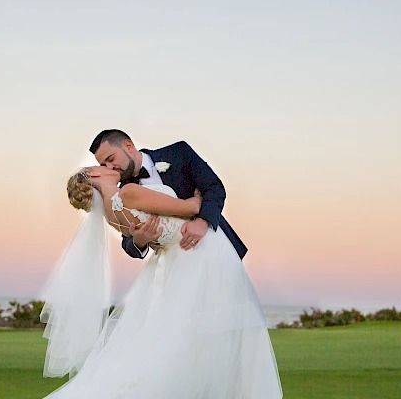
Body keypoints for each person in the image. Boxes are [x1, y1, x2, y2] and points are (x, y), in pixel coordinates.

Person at [38, 154, 283, 398]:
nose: (107, 167)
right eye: (100, 166)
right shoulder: (128, 193)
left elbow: (146, 236)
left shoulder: (111, 214)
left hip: (178, 261)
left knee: (188, 338)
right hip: (199, 253)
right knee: (224, 330)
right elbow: (191, 208)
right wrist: (196, 200)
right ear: (93, 175)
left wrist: (145, 237)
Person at [89, 129, 248, 261]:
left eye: (111, 159)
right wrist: (140, 241)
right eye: (103, 165)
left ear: (128, 146)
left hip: (216, 245)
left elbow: (214, 187)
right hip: (175, 264)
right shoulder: (122, 193)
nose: (110, 167)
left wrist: (202, 222)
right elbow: (128, 241)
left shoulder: (178, 152)